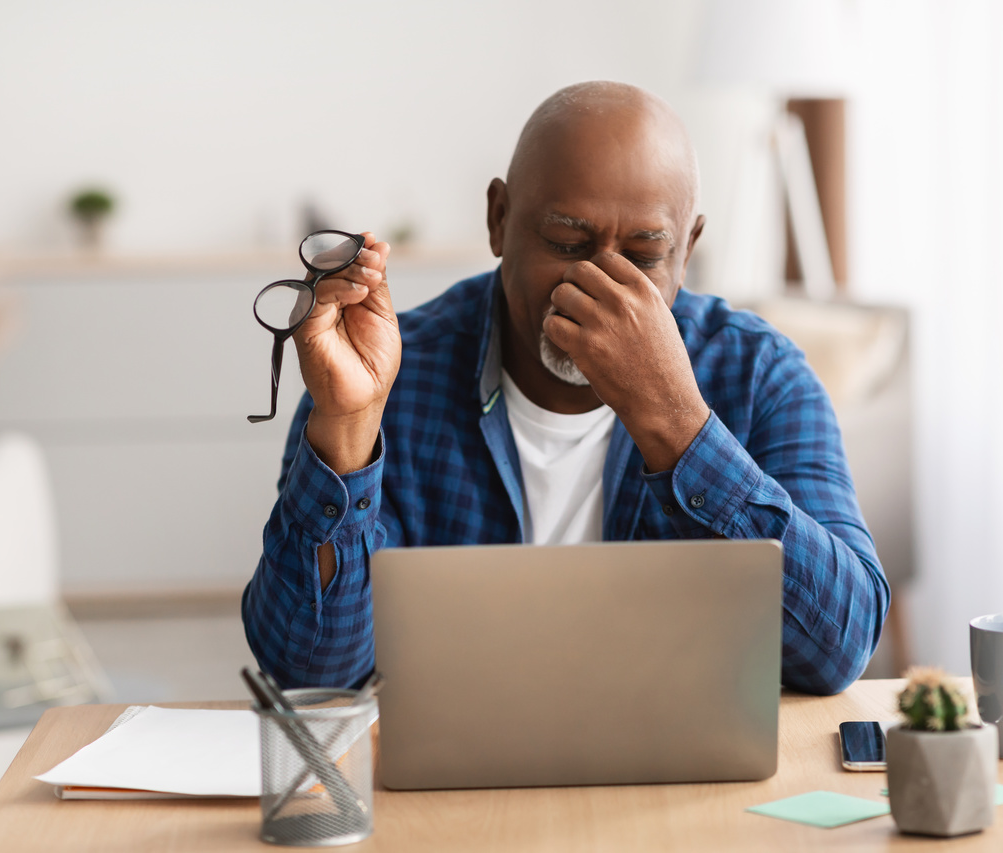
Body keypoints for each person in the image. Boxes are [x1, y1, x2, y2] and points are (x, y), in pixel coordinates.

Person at [243, 81, 889, 696]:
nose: (601, 283)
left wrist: (675, 420)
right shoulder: (392, 378)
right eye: (566, 241)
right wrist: (349, 427)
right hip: (458, 786)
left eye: (643, 256)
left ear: (687, 249)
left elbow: (840, 649)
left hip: (677, 783)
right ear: (499, 220)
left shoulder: (759, 375)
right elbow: (311, 676)